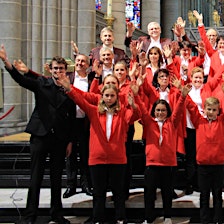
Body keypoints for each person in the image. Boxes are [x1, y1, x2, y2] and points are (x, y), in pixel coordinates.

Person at [0, 46, 75, 224]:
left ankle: (56, 214)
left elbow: (71, 117)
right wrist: (6, 62)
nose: (58, 71)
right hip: (40, 136)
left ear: (66, 71)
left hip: (59, 138)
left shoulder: (69, 90)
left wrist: (70, 141)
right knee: (36, 177)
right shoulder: (42, 83)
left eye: (61, 69)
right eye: (55, 68)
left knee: (57, 178)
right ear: (50, 69)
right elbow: (20, 80)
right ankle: (30, 215)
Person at [57, 75, 140, 224]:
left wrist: (134, 104)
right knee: (98, 192)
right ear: (102, 96)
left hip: (117, 158)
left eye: (112, 95)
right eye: (106, 95)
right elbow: (80, 100)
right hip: (97, 158)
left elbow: (137, 116)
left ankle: (120, 218)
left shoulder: (122, 113)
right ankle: (98, 218)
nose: (109, 98)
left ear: (117, 97)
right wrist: (69, 89)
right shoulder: (94, 110)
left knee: (118, 192)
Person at [186, 82, 224, 224]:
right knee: (204, 196)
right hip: (203, 167)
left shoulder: (223, 121)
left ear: (218, 110)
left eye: (214, 109)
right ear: (205, 109)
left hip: (218, 166)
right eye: (209, 109)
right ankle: (204, 220)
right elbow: (191, 106)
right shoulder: (198, 121)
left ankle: (218, 219)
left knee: (217, 195)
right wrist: (182, 94)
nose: (211, 112)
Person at [136, 84, 189, 224]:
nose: (160, 113)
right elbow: (141, 109)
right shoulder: (149, 122)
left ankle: (167, 217)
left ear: (167, 111)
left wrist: (182, 96)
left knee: (167, 193)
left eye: (163, 110)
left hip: (168, 164)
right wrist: (136, 95)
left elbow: (178, 110)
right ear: (154, 111)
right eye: (158, 110)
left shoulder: (172, 122)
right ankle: (148, 218)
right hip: (152, 164)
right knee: (149, 194)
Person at [63, 54, 95, 198]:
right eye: (78, 61)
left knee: (84, 154)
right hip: (70, 121)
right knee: (70, 155)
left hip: (85, 122)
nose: (80, 63)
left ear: (88, 65)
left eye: (83, 61)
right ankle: (71, 185)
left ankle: (85, 184)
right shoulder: (68, 79)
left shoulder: (91, 79)